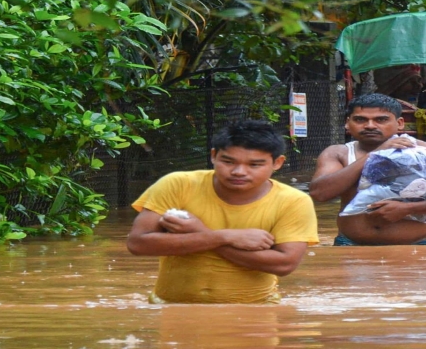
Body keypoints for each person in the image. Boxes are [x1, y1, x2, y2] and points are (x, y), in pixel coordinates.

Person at [126, 120, 319, 303]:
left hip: (256, 312)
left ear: (277, 163)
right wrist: (224, 237)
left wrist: (202, 233)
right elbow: (138, 244)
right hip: (169, 306)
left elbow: (284, 265)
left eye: (254, 165)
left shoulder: (294, 201)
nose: (239, 172)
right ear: (213, 156)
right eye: (228, 161)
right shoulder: (177, 184)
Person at [309, 93, 426, 245]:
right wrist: (374, 155)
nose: (370, 125)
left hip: (419, 246)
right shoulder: (338, 153)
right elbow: (320, 194)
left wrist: (408, 209)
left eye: (381, 120)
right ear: (347, 123)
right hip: (352, 244)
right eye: (360, 120)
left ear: (400, 123)